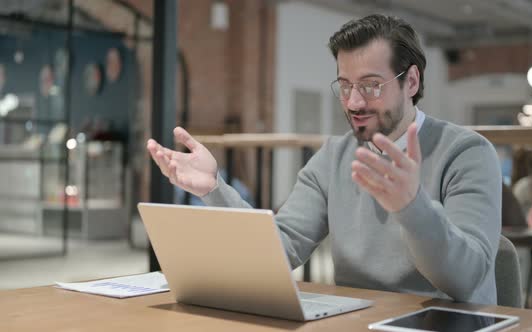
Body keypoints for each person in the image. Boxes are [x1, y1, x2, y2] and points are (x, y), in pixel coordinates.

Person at [147, 14, 502, 305]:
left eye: (371, 85)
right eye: (345, 85)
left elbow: (465, 281)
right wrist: (214, 188)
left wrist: (413, 207)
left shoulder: (466, 153)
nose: (354, 103)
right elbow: (281, 248)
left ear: (411, 81)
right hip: (359, 321)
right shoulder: (336, 155)